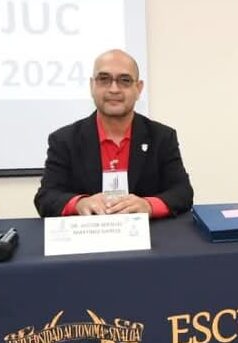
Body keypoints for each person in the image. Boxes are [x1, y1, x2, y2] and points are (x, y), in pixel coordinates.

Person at [34, 49, 193, 218]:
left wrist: (147, 205)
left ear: (138, 88)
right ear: (91, 85)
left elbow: (182, 193)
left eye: (124, 81)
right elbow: (46, 197)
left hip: (148, 238)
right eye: (104, 79)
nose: (114, 89)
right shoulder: (64, 140)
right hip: (88, 237)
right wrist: (80, 203)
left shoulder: (162, 137)